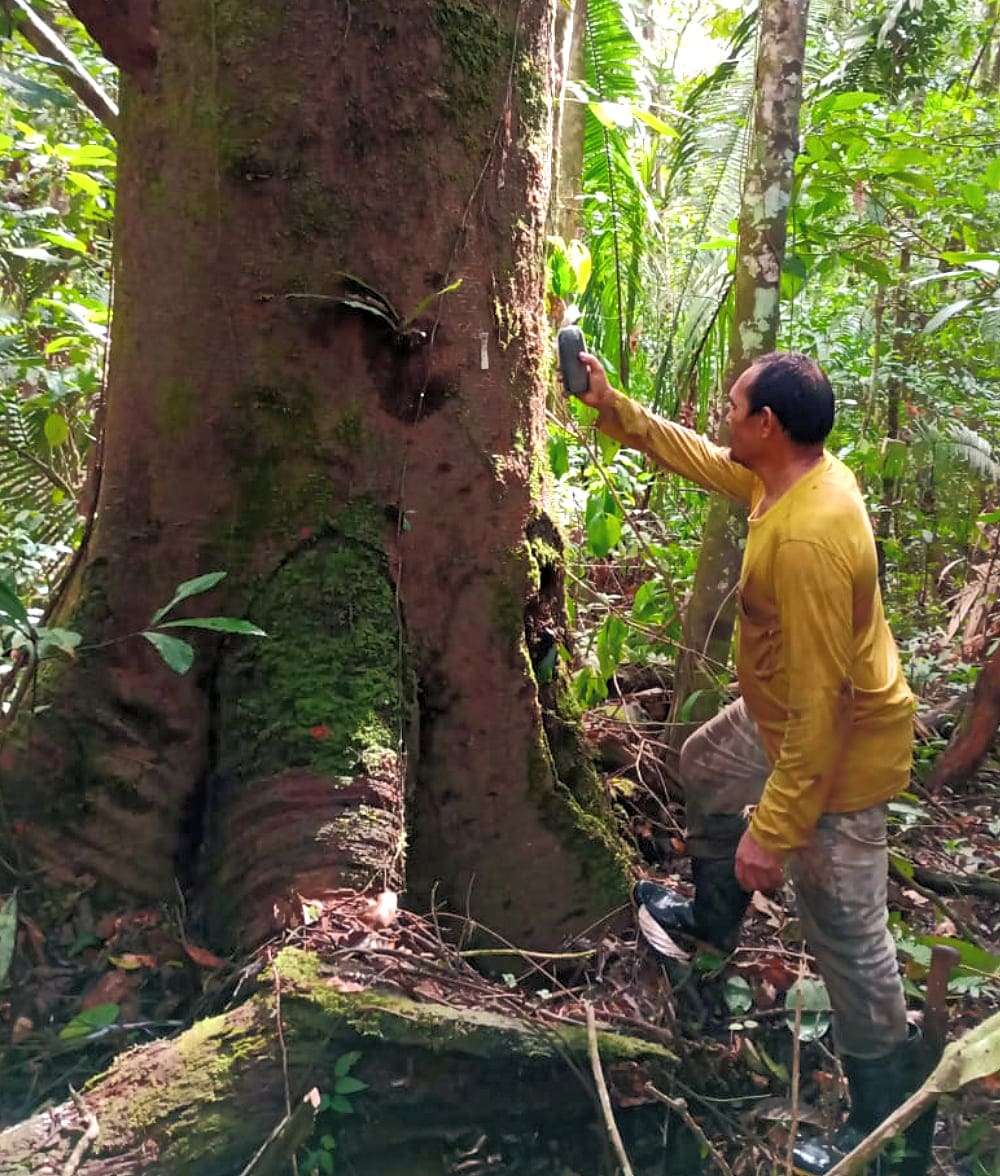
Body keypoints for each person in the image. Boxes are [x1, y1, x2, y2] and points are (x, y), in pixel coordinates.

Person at [577, 350, 918, 1175]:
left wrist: (774, 830)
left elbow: (825, 706)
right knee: (705, 763)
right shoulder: (786, 478)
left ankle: (889, 1132)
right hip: (782, 719)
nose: (724, 416)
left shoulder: (808, 538)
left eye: (734, 407)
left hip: (838, 751)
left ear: (767, 424)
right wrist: (616, 409)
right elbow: (706, 459)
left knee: (849, 939)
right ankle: (711, 924)